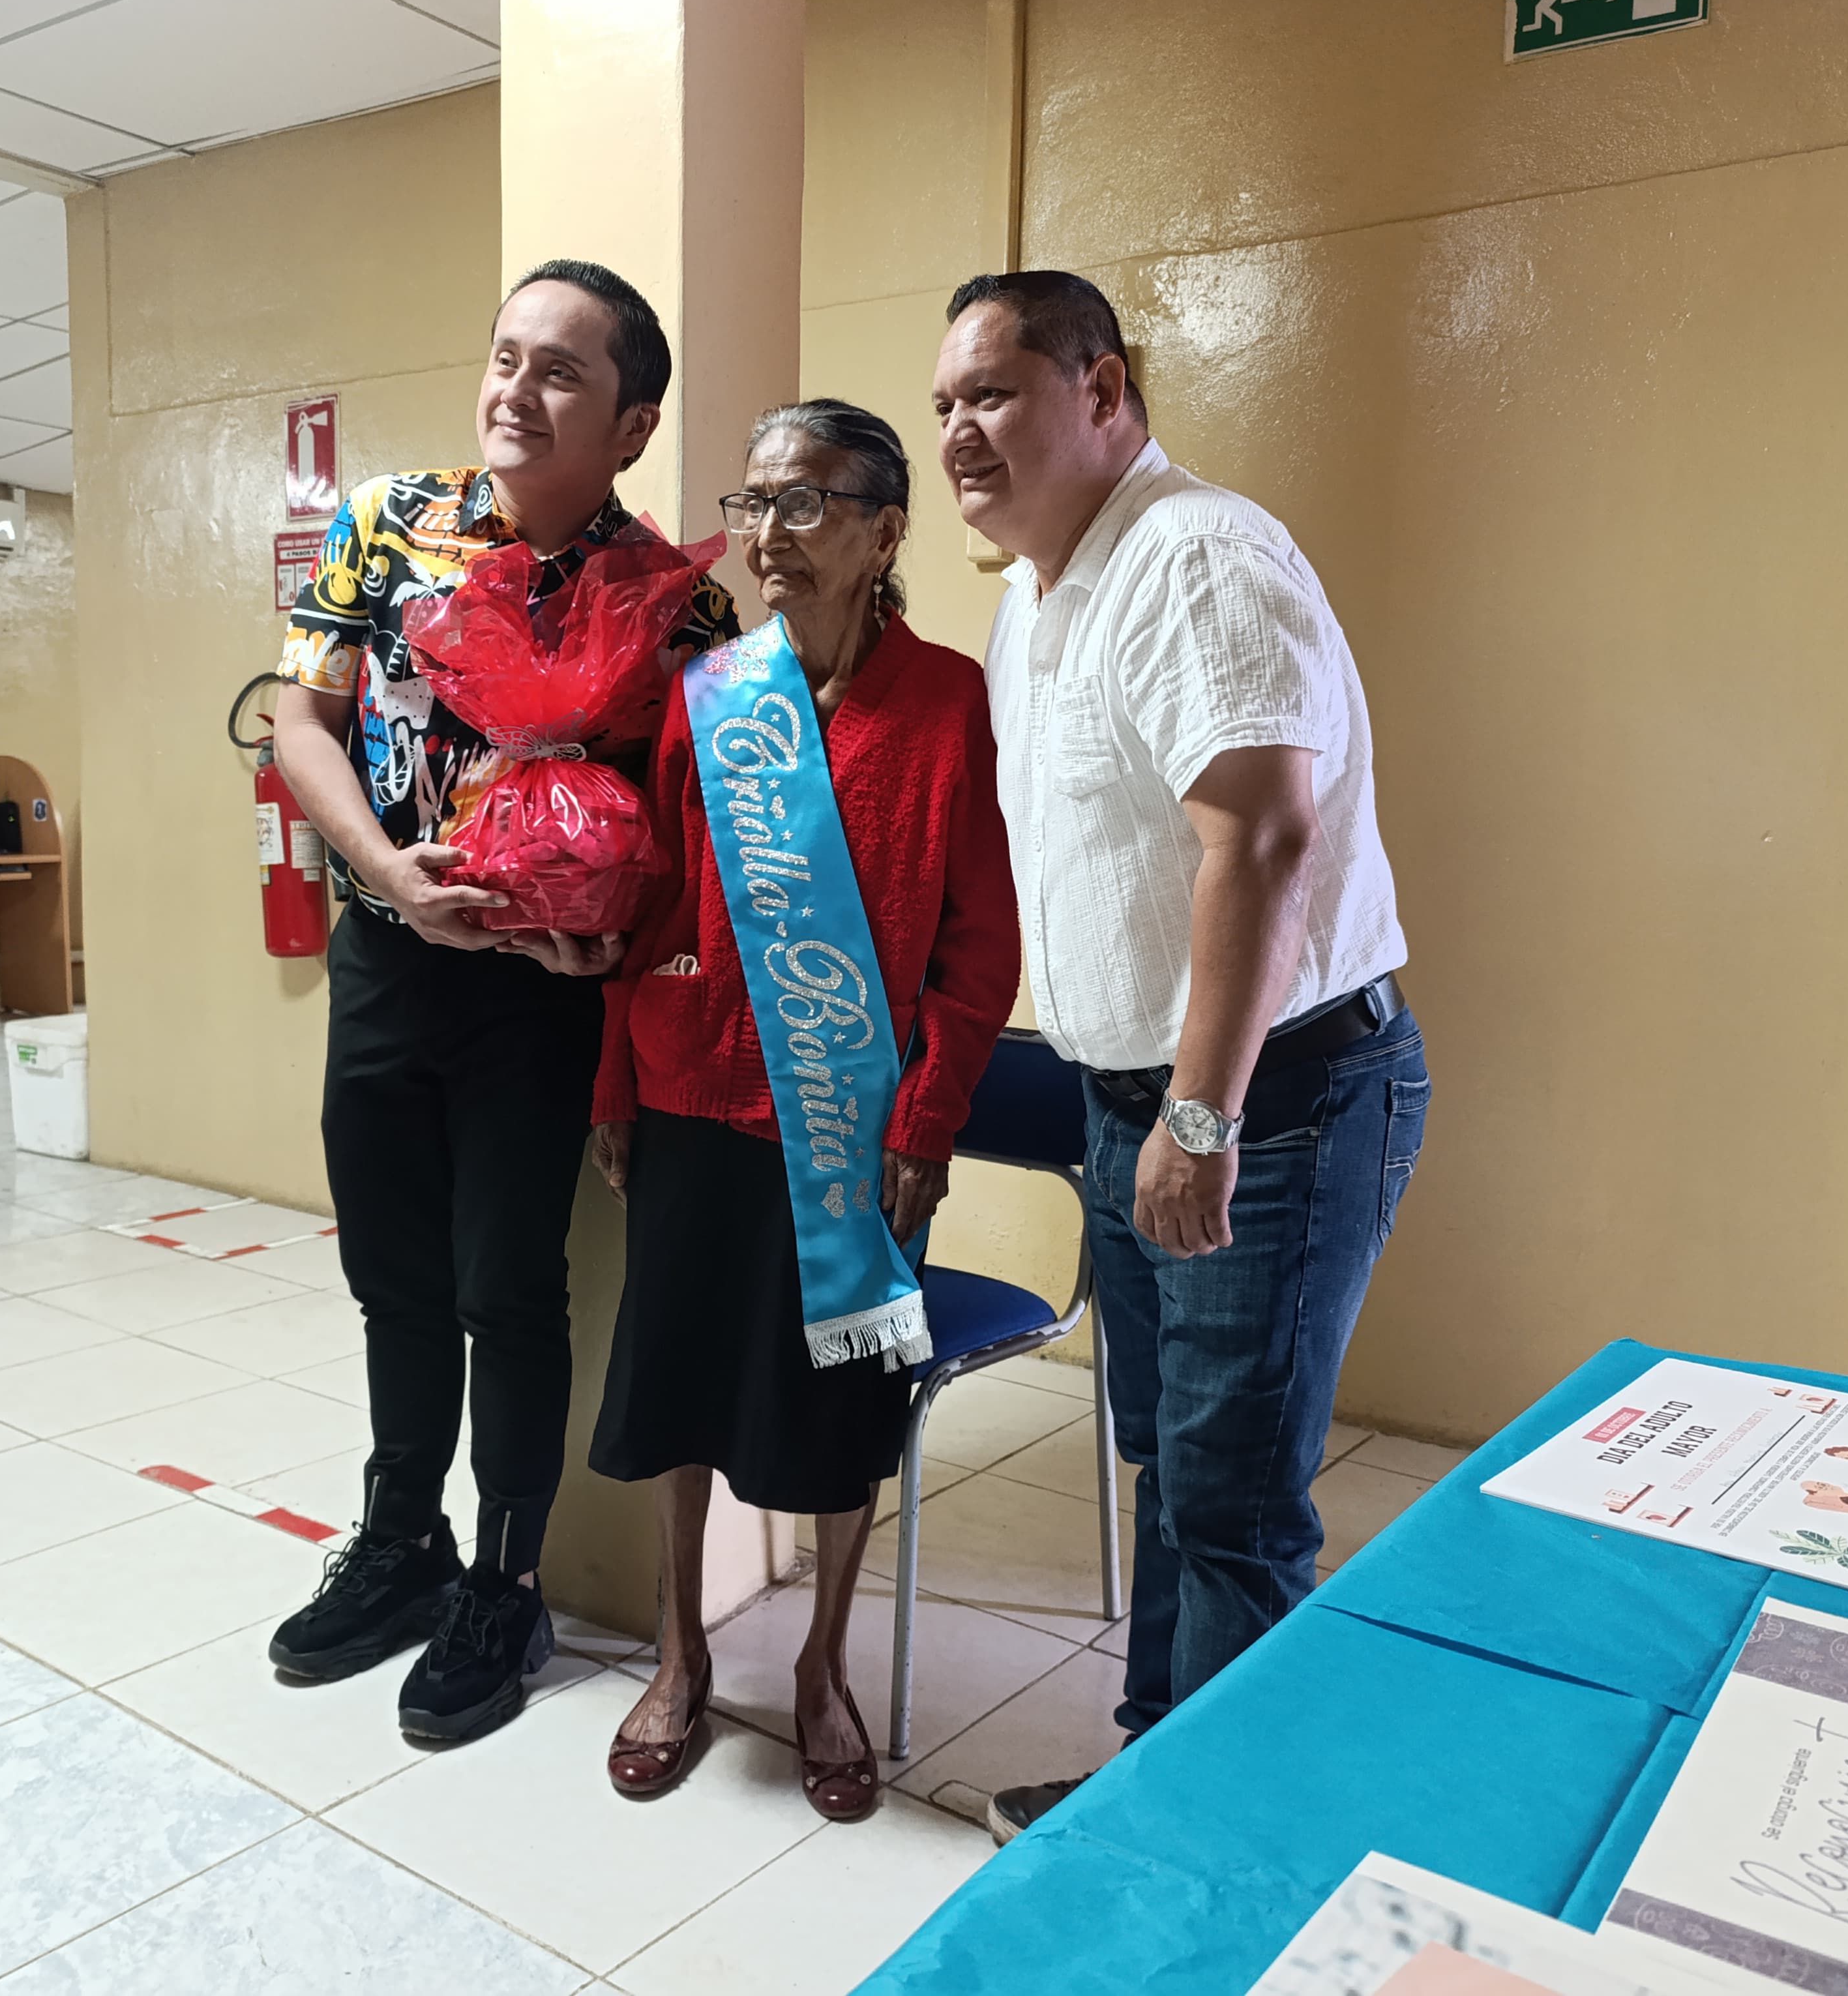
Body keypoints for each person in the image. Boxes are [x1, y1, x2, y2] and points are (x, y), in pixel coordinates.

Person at [931, 271, 1431, 1843]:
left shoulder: (1193, 555)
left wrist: (1199, 1118)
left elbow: (1263, 837)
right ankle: (1159, 1788)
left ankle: (1223, 1851)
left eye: (992, 393)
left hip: (1265, 1103)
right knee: (1172, 1464)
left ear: (1102, 389)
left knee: (1230, 1499)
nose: (958, 432)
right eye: (943, 404)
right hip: (1130, 1098)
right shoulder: (1039, 591)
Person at [266, 260, 738, 1744]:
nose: (516, 390)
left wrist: (612, 939)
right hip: (383, 957)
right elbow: (298, 719)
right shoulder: (386, 523)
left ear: (633, 423)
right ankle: (397, 1539)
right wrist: (384, 874)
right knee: (390, 1275)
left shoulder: (676, 600)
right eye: (505, 355)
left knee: (508, 1288)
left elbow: (703, 830)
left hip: (541, 1002)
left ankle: (505, 1580)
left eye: (560, 372)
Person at [585, 400, 1020, 1819]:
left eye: (808, 502)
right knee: (680, 1386)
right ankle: (681, 1653)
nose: (770, 531)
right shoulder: (714, 693)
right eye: (755, 501)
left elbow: (979, 945)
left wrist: (927, 1121)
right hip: (695, 1099)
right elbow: (658, 908)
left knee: (842, 1402)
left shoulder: (947, 703)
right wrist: (618, 1084)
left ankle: (825, 1663)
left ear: (885, 532)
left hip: (856, 1131)